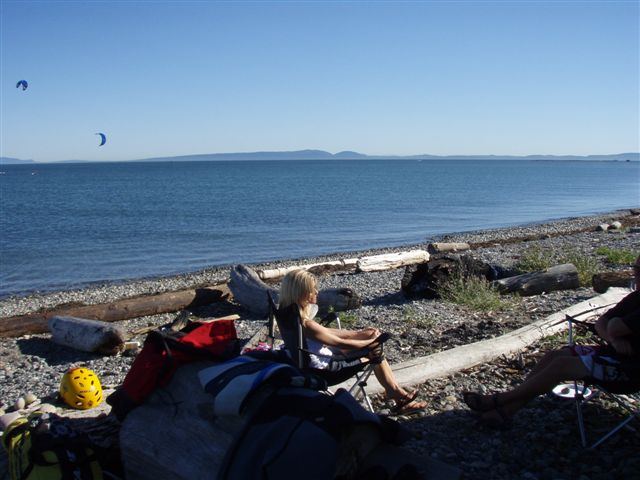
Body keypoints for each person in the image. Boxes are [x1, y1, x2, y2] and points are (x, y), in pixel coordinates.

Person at [463, 254, 640, 428]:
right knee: (554, 356)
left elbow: (614, 326)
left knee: (561, 365)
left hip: (630, 371)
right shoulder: (634, 298)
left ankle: (500, 400)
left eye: (637, 270)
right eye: (634, 269)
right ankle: (509, 409)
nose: (634, 274)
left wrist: (614, 330)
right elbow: (602, 322)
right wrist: (614, 341)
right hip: (613, 355)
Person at [279, 269, 427, 415]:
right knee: (375, 351)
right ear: (301, 293)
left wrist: (359, 334)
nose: (317, 292)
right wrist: (373, 342)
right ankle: (394, 392)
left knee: (370, 341)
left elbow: (326, 333)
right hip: (327, 370)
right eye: (313, 289)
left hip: (307, 363)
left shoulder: (289, 316)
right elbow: (340, 343)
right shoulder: (306, 324)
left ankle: (394, 391)